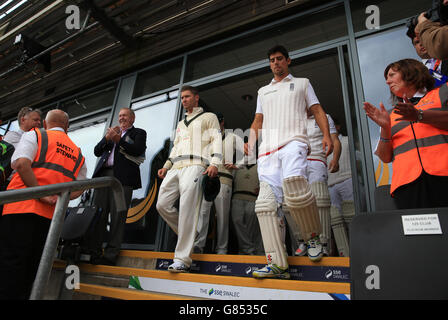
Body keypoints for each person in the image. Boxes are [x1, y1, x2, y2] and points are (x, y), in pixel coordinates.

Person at [245, 45, 333, 279]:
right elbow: (257, 119)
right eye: (272, 60)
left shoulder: (303, 83)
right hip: (268, 151)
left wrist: (326, 135)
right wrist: (251, 141)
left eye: (279, 59)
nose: (276, 63)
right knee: (265, 205)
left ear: (288, 61)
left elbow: (317, 109)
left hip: (294, 141)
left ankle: (312, 237)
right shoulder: (263, 91)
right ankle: (276, 262)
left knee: (295, 184)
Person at [0, 109, 87, 300]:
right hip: (50, 219)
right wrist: (59, 198)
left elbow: (22, 164)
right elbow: (81, 186)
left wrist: (40, 195)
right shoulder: (77, 152)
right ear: (67, 127)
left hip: (19, 209)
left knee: (9, 266)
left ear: (46, 124)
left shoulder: (36, 135)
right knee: (32, 269)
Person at [363, 58, 448, 209]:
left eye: (392, 75)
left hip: (444, 175)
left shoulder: (442, 92)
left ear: (410, 72)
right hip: (407, 187)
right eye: (386, 78)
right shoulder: (388, 115)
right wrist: (385, 129)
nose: (388, 82)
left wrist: (419, 116)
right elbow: (385, 157)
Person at [156, 85, 222, 273]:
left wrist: (215, 162)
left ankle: (182, 260)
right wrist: (166, 166)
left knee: (187, 208)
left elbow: (216, 139)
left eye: (187, 97)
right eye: (182, 98)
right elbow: (175, 147)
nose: (183, 100)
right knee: (162, 205)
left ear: (196, 98)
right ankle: (191, 233)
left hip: (196, 165)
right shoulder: (180, 123)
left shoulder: (209, 117)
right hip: (175, 167)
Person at [87, 107, 147, 265]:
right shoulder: (112, 132)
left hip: (123, 180)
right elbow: (96, 151)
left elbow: (137, 150)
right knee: (98, 215)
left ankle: (110, 255)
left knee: (118, 217)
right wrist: (107, 138)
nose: (121, 118)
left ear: (132, 119)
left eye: (125, 116)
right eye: (120, 116)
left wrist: (118, 140)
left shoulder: (138, 133)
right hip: (103, 177)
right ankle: (94, 253)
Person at [290, 110, 340, 257]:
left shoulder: (324, 116)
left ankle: (323, 243)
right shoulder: (293, 118)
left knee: (319, 199)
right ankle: (303, 240)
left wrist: (335, 159)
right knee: (294, 202)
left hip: (317, 159)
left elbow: (334, 140)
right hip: (296, 163)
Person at [194, 113, 244, 254]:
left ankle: (221, 248)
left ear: (222, 123)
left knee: (222, 215)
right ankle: (199, 245)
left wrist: (236, 165)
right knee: (203, 212)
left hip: (224, 179)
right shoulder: (208, 140)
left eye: (218, 122)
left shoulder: (232, 137)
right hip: (207, 179)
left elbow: (248, 154)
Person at [327, 120, 353, 257]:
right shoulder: (325, 146)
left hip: (347, 180)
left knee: (351, 217)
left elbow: (359, 160)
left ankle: (357, 250)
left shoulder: (348, 141)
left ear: (338, 126)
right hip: (331, 185)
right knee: (336, 222)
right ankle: (344, 254)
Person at [231, 160, 264, 255]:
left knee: (252, 228)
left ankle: (249, 251)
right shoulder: (237, 165)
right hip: (237, 196)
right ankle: (247, 249)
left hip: (253, 198)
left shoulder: (260, 165)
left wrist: (262, 188)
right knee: (237, 222)